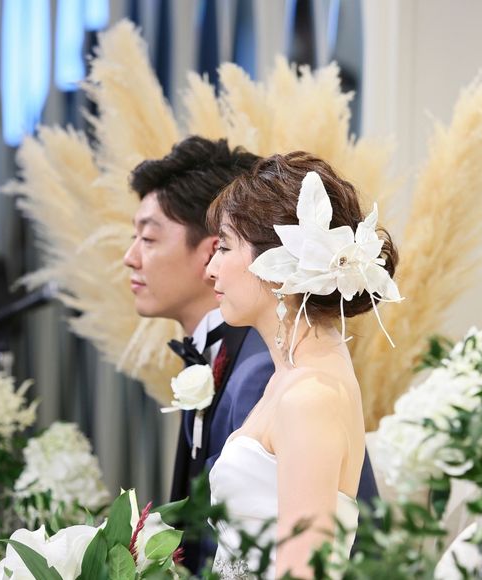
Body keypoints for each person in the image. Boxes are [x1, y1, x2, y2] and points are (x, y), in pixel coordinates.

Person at [206, 151, 401, 578]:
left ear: (278, 264)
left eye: (223, 247)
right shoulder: (293, 374)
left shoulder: (310, 395)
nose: (211, 268)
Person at [123, 136, 273, 573]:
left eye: (148, 238)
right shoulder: (217, 353)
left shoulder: (259, 372)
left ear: (211, 250)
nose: (130, 257)